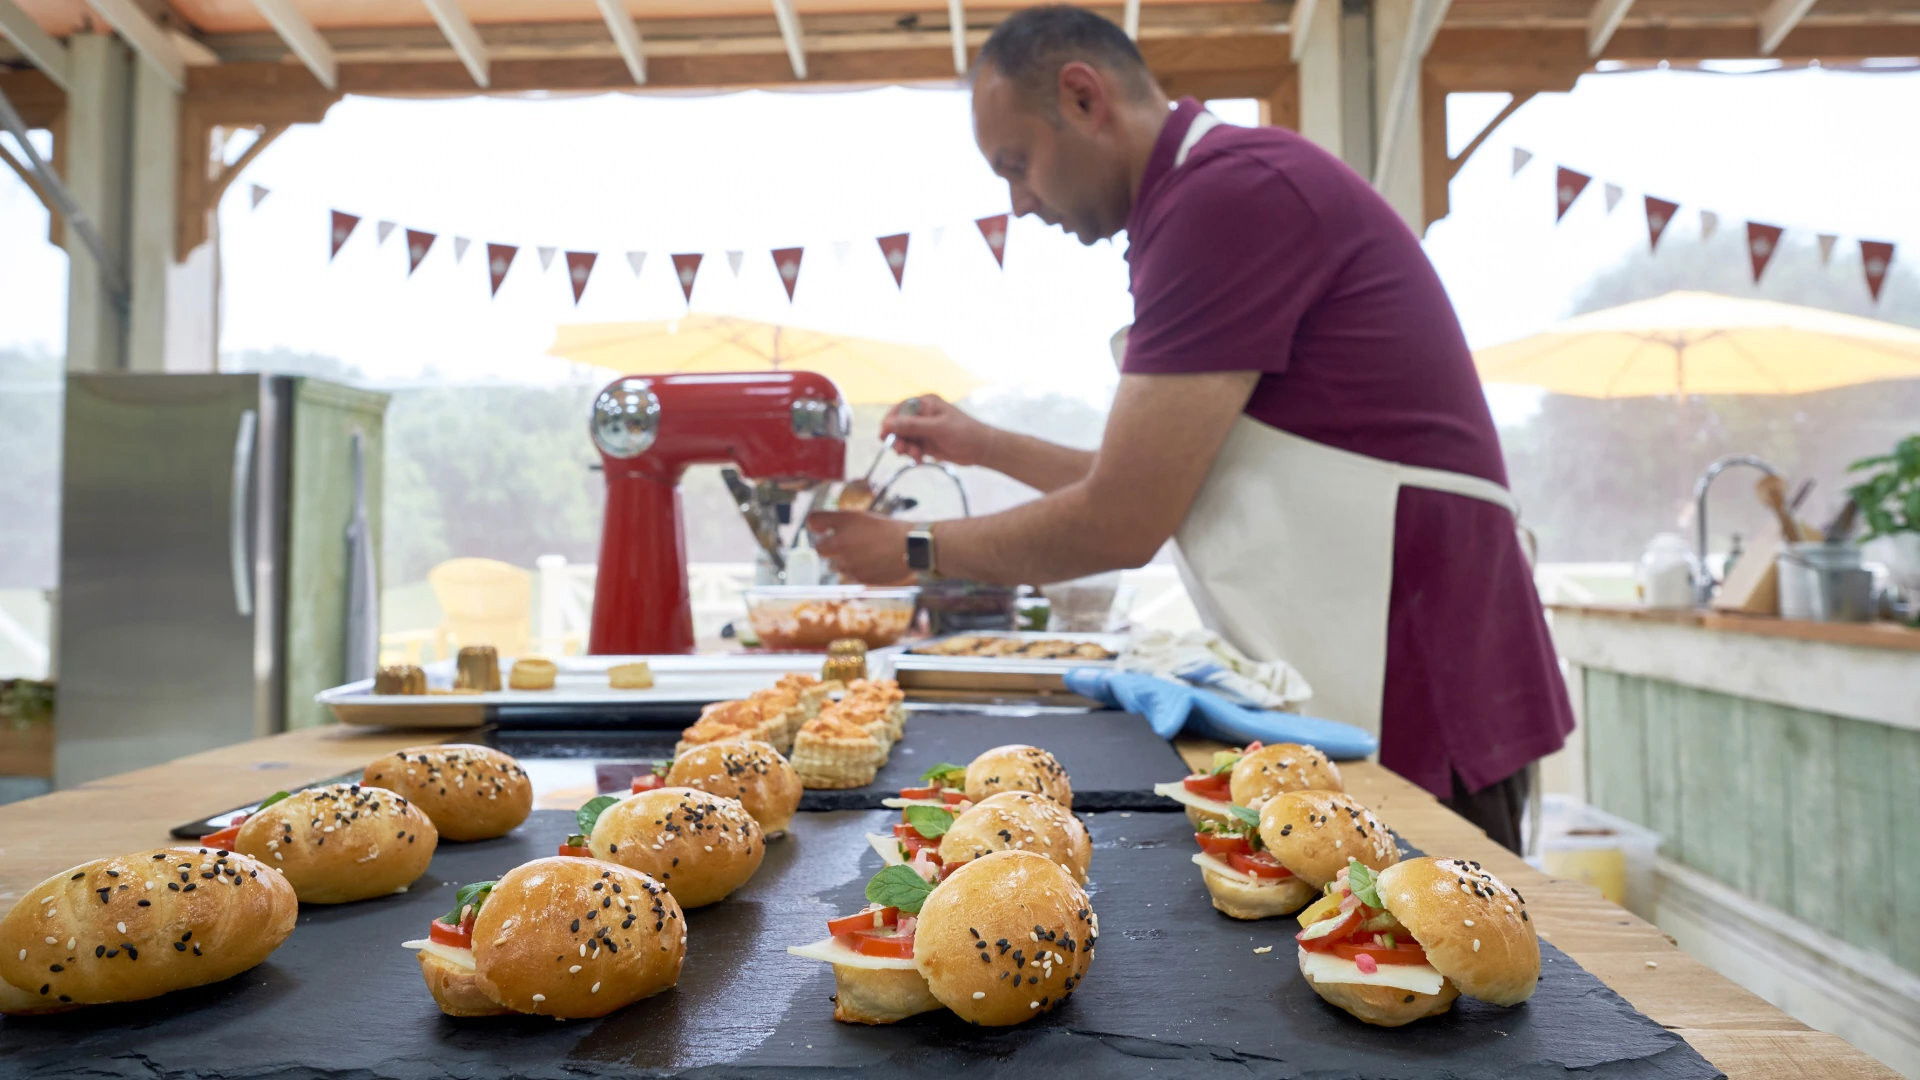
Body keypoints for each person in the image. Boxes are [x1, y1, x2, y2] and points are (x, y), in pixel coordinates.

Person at [811, 4, 1572, 853]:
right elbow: (1164, 480)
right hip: (1377, 657)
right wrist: (982, 445)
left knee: (1437, 955)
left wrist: (912, 549)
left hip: (1422, 674)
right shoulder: (1203, 197)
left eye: (1018, 165)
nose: (1021, 203)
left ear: (1083, 97)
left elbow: (1125, 520)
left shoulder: (1228, 195)